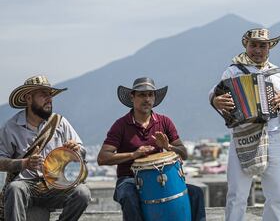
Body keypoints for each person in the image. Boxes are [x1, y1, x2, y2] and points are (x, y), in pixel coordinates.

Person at [209, 28, 280, 221]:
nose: (258, 50)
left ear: (269, 48)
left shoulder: (279, 73)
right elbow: (213, 94)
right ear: (246, 45)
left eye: (263, 45)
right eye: (254, 45)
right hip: (242, 136)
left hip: (273, 138)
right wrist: (216, 101)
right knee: (237, 194)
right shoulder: (232, 71)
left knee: (276, 194)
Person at [97, 77, 206, 221]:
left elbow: (184, 153)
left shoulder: (165, 122)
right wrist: (134, 154)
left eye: (150, 95)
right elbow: (102, 158)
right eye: (142, 95)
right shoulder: (121, 125)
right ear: (132, 97)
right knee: (128, 195)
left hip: (160, 179)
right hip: (129, 179)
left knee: (196, 193)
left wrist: (168, 147)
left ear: (154, 98)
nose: (147, 99)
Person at [0, 75, 91, 221]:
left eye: (50, 95)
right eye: (43, 94)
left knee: (83, 193)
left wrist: (76, 149)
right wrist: (24, 163)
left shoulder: (60, 122)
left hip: (56, 186)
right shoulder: (11, 127)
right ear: (28, 98)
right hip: (26, 185)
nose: (49, 99)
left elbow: (82, 152)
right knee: (14, 188)